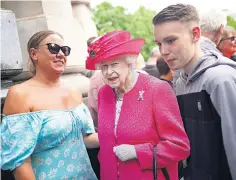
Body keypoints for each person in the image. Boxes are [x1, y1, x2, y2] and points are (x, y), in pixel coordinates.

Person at [86, 30, 190, 180]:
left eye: (114, 64)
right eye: (104, 67)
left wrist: (138, 152)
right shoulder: (104, 93)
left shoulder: (157, 90)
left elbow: (179, 147)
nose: (109, 72)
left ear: (130, 62)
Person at [153, 4, 236, 180]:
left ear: (195, 34)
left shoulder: (220, 78)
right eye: (159, 43)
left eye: (170, 41)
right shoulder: (181, 81)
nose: (164, 51)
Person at [1, 30, 99, 180]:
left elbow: (84, 138)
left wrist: (121, 135)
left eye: (65, 50)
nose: (61, 54)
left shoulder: (74, 92)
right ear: (34, 54)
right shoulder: (20, 94)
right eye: (53, 48)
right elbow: (20, 163)